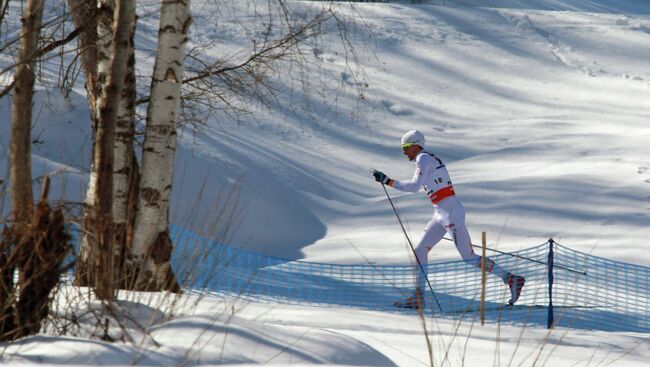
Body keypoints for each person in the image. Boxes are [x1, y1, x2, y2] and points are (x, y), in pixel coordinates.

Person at [373, 130, 525, 309]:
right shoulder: (426, 159)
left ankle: (511, 279)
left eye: (406, 147)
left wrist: (388, 181)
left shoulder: (423, 158)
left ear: (416, 145)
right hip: (440, 213)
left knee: (468, 257)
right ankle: (418, 297)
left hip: (451, 213)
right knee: (420, 250)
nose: (404, 152)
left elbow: (415, 187)